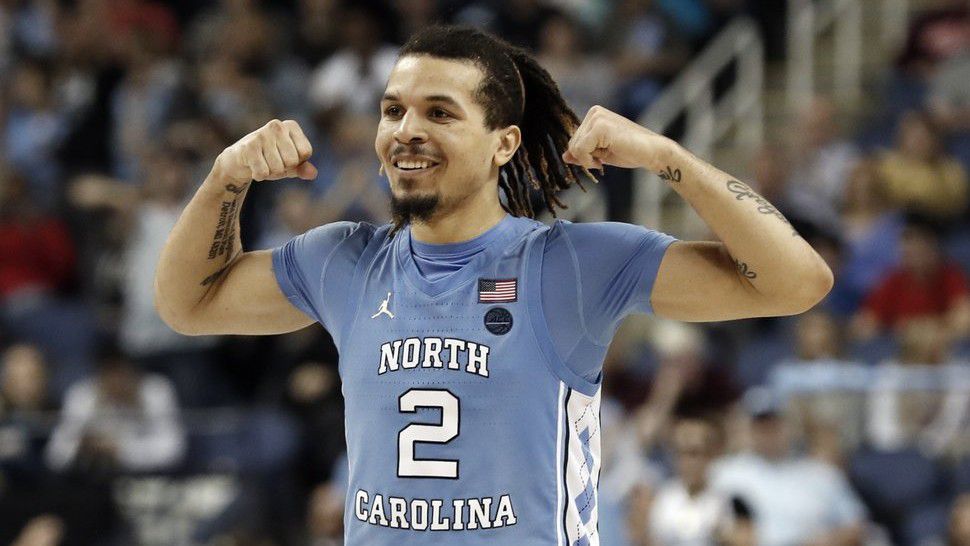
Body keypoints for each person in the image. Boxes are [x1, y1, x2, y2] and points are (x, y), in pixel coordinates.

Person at [155, 25, 832, 545]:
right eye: (393, 111)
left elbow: (796, 282)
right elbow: (186, 305)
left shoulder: (572, 263)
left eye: (439, 113)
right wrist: (225, 179)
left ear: (503, 143)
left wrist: (668, 157)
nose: (405, 131)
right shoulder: (343, 260)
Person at [710, 388, 868, 546]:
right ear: (749, 428)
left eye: (775, 424)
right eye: (761, 426)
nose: (769, 432)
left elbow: (856, 526)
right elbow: (710, 523)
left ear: (790, 425)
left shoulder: (822, 474)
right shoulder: (726, 472)